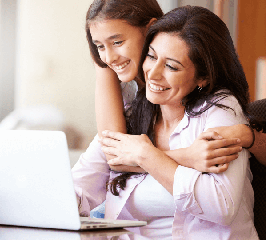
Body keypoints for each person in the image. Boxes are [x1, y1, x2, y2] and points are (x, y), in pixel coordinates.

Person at [73, 5, 258, 239]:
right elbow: (84, 181)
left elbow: (222, 206)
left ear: (203, 77)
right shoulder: (135, 111)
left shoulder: (220, 110)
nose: (152, 73)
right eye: (150, 56)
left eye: (171, 66)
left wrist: (146, 156)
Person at [92, 0, 266, 172]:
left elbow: (119, 158)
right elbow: (116, 158)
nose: (109, 58)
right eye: (99, 46)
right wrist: (187, 156)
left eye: (117, 42)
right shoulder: (134, 95)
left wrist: (248, 136)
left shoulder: (218, 105)